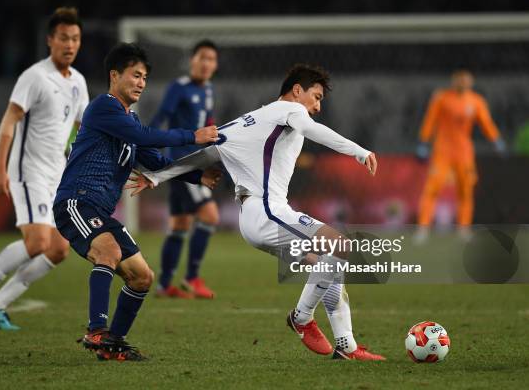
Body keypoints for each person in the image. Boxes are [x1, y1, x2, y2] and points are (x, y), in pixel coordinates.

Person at [127, 64, 385, 361]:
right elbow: (313, 130)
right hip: (267, 212)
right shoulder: (290, 111)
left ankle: (346, 346)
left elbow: (209, 151)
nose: (316, 106)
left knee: (327, 265)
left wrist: (158, 176)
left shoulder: (248, 121)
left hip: (255, 217)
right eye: (315, 97)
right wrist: (359, 151)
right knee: (340, 246)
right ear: (297, 90)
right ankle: (301, 318)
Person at [52, 43, 220, 361]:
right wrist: (192, 136)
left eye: (144, 77)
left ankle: (113, 344)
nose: (141, 82)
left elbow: (154, 161)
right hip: (76, 202)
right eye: (135, 75)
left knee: (143, 277)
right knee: (109, 251)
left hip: (99, 211)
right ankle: (96, 330)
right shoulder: (103, 107)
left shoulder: (128, 121)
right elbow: (146, 137)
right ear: (115, 76)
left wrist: (199, 178)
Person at [0, 7, 89, 331]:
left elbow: (77, 126)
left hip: (57, 173)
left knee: (59, 249)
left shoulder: (78, 82)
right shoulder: (34, 76)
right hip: (27, 169)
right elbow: (8, 122)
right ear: (50, 40)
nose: (69, 44)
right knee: (37, 243)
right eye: (63, 38)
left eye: (74, 39)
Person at [150, 40, 219, 299]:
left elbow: (209, 122)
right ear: (191, 60)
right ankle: (191, 278)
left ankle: (164, 285)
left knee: (180, 223)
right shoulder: (178, 88)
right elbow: (161, 118)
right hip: (182, 163)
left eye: (211, 59)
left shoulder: (208, 90)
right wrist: (146, 142)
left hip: (196, 161)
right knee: (209, 215)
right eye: (202, 57)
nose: (206, 64)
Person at [415, 70, 505, 240]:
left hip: (464, 152)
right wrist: (423, 141)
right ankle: (423, 229)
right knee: (432, 188)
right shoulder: (441, 98)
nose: (463, 82)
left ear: (471, 81)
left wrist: (496, 140)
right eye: (460, 79)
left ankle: (463, 229)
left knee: (466, 190)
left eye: (466, 79)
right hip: (442, 151)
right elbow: (430, 120)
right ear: (453, 80)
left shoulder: (476, 101)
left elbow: (486, 123)